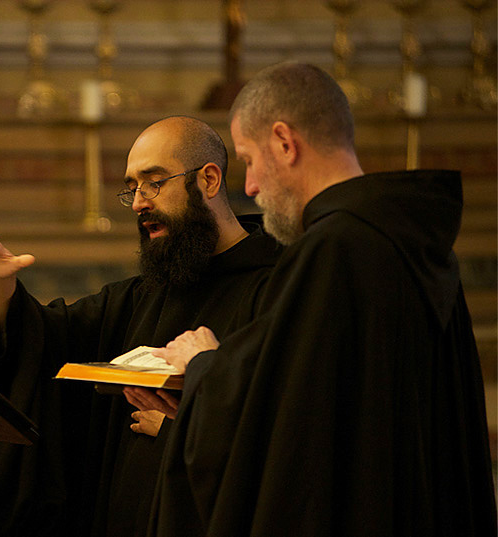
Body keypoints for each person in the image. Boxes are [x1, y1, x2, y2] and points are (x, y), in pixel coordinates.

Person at [145, 62, 497, 536]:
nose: (250, 187)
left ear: (284, 143)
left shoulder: (332, 251)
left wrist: (205, 366)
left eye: (249, 159)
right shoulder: (414, 238)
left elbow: (292, 435)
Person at [0, 116, 282, 537]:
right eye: (133, 187)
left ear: (209, 179)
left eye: (154, 183)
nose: (138, 203)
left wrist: (181, 433)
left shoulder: (276, 290)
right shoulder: (143, 295)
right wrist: (0, 285)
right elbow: (48, 340)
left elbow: (283, 432)